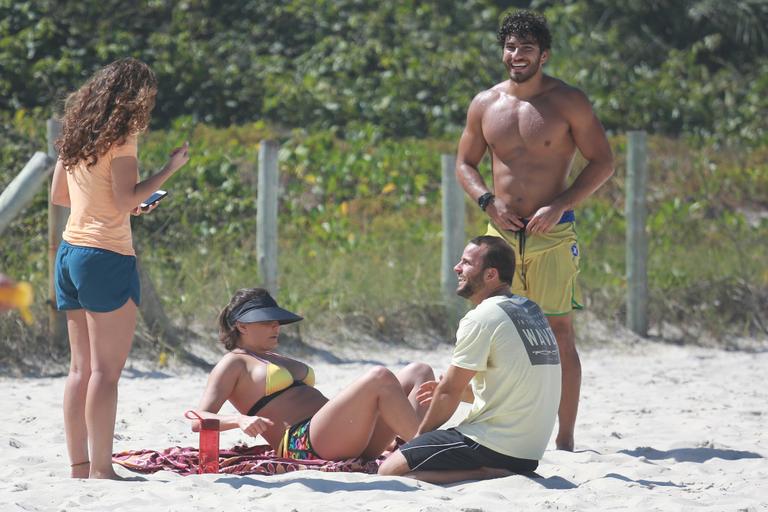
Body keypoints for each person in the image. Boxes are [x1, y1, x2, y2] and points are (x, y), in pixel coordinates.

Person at [454, 10, 614, 451]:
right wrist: (488, 200)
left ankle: (564, 438)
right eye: (510, 47)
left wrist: (561, 203)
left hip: (552, 233)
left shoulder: (568, 101)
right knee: (487, 327)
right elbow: (464, 163)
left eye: (526, 48)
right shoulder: (485, 103)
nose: (516, 55)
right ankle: (490, 424)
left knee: (559, 332)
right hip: (499, 236)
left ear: (543, 54)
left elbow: (604, 161)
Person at [50, 58, 190, 479]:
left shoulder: (74, 137)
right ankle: (102, 470)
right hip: (106, 256)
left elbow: (61, 195)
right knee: (106, 374)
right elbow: (127, 200)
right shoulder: (123, 140)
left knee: (79, 370)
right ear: (136, 98)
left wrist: (121, 204)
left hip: (70, 253)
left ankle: (79, 465)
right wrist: (170, 168)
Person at [378, 236, 561, 484]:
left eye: (466, 263)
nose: (457, 267)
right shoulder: (530, 310)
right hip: (528, 454)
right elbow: (512, 388)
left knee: (388, 471)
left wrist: (417, 441)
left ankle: (486, 473)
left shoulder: (482, 317)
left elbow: (448, 392)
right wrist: (458, 392)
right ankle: (490, 469)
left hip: (493, 446)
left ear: (490, 275)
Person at [188, 288, 435, 461]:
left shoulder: (273, 358)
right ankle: (430, 450)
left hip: (343, 436)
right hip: (302, 443)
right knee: (379, 376)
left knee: (419, 371)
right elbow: (197, 419)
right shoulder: (233, 364)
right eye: (266, 322)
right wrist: (238, 420)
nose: (275, 327)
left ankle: (414, 445)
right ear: (241, 326)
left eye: (276, 321)